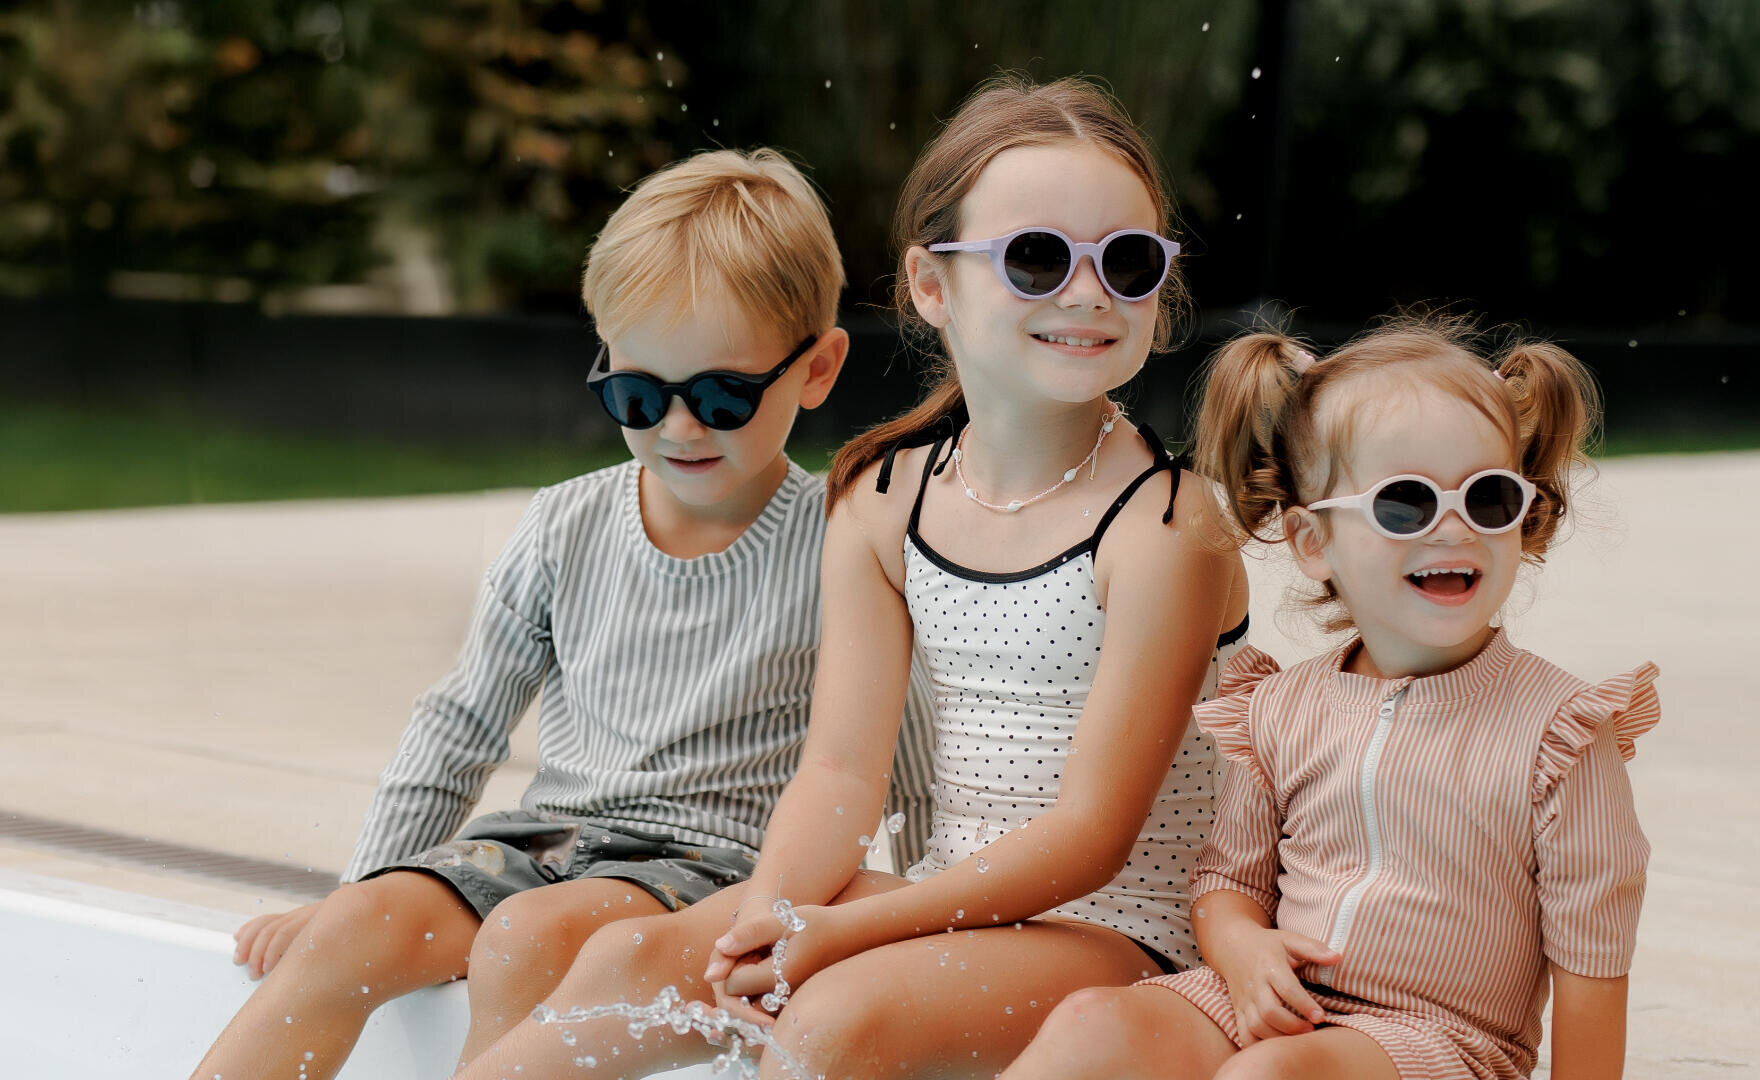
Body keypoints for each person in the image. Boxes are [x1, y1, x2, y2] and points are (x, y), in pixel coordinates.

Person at [452, 74, 1252, 1080]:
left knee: (832, 1017)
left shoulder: (1167, 525)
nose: (1087, 293)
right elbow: (838, 775)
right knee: (633, 957)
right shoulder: (883, 496)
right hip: (952, 897)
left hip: (1123, 933)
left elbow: (1092, 838)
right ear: (931, 284)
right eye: (1037, 259)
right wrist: (769, 914)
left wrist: (836, 930)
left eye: (1127, 262)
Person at [190, 147, 934, 1080]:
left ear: (819, 369)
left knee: (526, 937)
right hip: (545, 841)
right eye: (636, 394)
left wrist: (915, 916)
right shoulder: (565, 525)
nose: (677, 428)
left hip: (712, 867)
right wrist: (368, 881)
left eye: (720, 395)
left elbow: (898, 763)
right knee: (348, 928)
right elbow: (461, 723)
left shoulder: (842, 543)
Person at [1001, 316, 1661, 1080]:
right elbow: (1228, 883)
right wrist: (1243, 948)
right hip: (1272, 1004)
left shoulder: (1560, 734)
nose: (1453, 528)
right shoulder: (1282, 709)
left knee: (1271, 1077)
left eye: (1487, 499)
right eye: (1405, 504)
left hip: (1441, 1044)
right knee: (1093, 1021)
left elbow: (1593, 964)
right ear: (1314, 543)